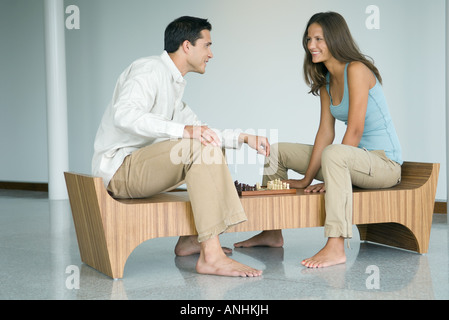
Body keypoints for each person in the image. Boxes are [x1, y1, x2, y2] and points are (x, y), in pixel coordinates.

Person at [92, 16, 270, 277]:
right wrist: (182, 130)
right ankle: (211, 256)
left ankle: (191, 240)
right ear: (187, 46)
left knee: (207, 145)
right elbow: (125, 114)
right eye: (207, 45)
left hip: (139, 167)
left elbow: (203, 132)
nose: (211, 54)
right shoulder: (150, 69)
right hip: (119, 169)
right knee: (198, 148)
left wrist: (244, 137)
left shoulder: (173, 87)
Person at [234, 12, 402, 268]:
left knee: (335, 154)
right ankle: (271, 231)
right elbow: (325, 132)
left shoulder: (356, 70)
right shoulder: (326, 83)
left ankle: (335, 245)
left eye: (319, 39)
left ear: (335, 39)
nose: (311, 45)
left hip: (383, 163)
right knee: (276, 151)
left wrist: (336, 171)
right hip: (351, 158)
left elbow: (355, 129)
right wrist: (306, 178)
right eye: (309, 39)